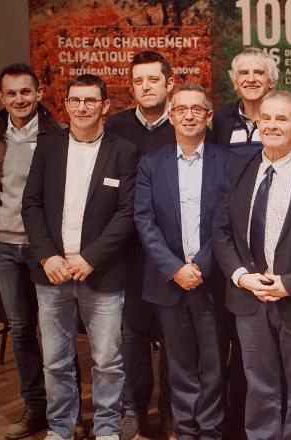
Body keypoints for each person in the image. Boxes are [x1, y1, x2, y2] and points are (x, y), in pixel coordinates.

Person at [212, 90, 291, 440]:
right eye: (265, 118)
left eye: (281, 119)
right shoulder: (239, 170)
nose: (271, 125)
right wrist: (241, 277)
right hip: (249, 300)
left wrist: (290, 283)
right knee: (259, 385)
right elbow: (221, 231)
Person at [21, 74, 140, 440]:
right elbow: (31, 205)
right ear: (66, 105)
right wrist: (47, 257)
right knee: (55, 361)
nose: (82, 107)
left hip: (101, 273)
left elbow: (127, 212)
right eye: (75, 100)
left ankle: (106, 427)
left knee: (107, 361)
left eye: (90, 100)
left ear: (105, 106)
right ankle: (60, 427)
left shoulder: (124, 151)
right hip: (53, 273)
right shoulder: (48, 146)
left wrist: (90, 258)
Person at [135, 83, 236, 440]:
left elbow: (228, 222)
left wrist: (201, 267)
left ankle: (210, 431)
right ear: (171, 116)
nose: (189, 116)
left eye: (197, 109)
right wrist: (175, 268)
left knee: (214, 364)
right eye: (181, 109)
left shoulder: (229, 163)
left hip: (211, 281)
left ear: (209, 116)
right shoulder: (151, 164)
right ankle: (185, 430)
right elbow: (144, 221)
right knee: (178, 366)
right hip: (169, 281)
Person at [0, 63, 91, 440]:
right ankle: (35, 407)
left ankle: (69, 413)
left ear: (39, 94)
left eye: (26, 91)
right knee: (21, 329)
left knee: (59, 332)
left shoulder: (58, 135)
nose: (19, 99)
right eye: (11, 93)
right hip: (5, 247)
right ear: (2, 98)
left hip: (48, 248)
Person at [103, 50, 175, 440]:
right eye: (138, 81)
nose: (146, 87)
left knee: (172, 334)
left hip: (173, 251)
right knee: (132, 335)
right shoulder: (115, 126)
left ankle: (170, 411)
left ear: (169, 83)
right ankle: (133, 408)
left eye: (153, 79)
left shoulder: (183, 122)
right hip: (127, 251)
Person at [212, 47, 291, 157]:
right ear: (235, 82)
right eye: (244, 73)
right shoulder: (221, 118)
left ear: (271, 81)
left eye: (259, 73)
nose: (251, 80)